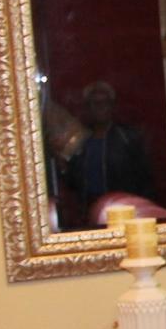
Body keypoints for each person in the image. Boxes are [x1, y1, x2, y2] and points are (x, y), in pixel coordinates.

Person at [58, 81, 155, 227]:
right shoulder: (80, 140)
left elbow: (144, 177)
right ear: (88, 107)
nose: (100, 108)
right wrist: (63, 168)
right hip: (90, 210)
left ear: (112, 106)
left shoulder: (127, 138)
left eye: (105, 102)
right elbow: (74, 181)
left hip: (124, 210)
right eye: (95, 103)